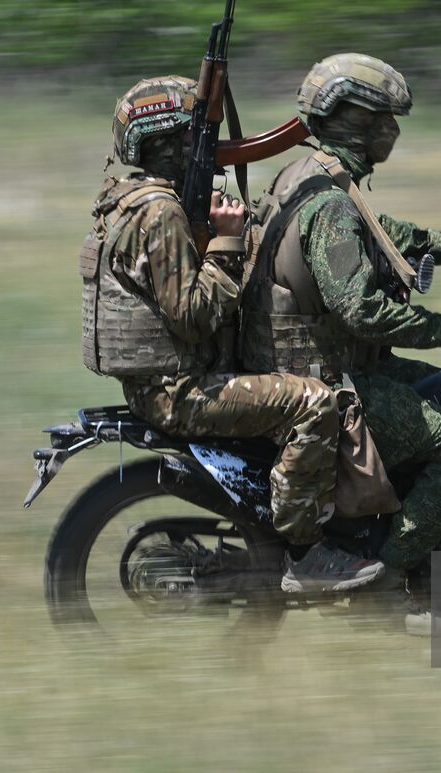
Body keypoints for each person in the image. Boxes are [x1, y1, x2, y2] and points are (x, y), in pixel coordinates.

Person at [241, 54, 441, 631]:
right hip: (326, 378)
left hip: (319, 363)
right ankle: (388, 582)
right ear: (354, 121)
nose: (393, 131)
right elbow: (364, 313)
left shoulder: (311, 174)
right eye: (384, 118)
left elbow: (379, 229)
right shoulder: (330, 204)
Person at [81, 75, 384, 594]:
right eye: (193, 138)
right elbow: (194, 317)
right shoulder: (162, 213)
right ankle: (305, 552)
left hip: (163, 382)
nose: (208, 147)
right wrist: (226, 241)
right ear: (165, 143)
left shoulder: (126, 200)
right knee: (313, 402)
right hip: (178, 394)